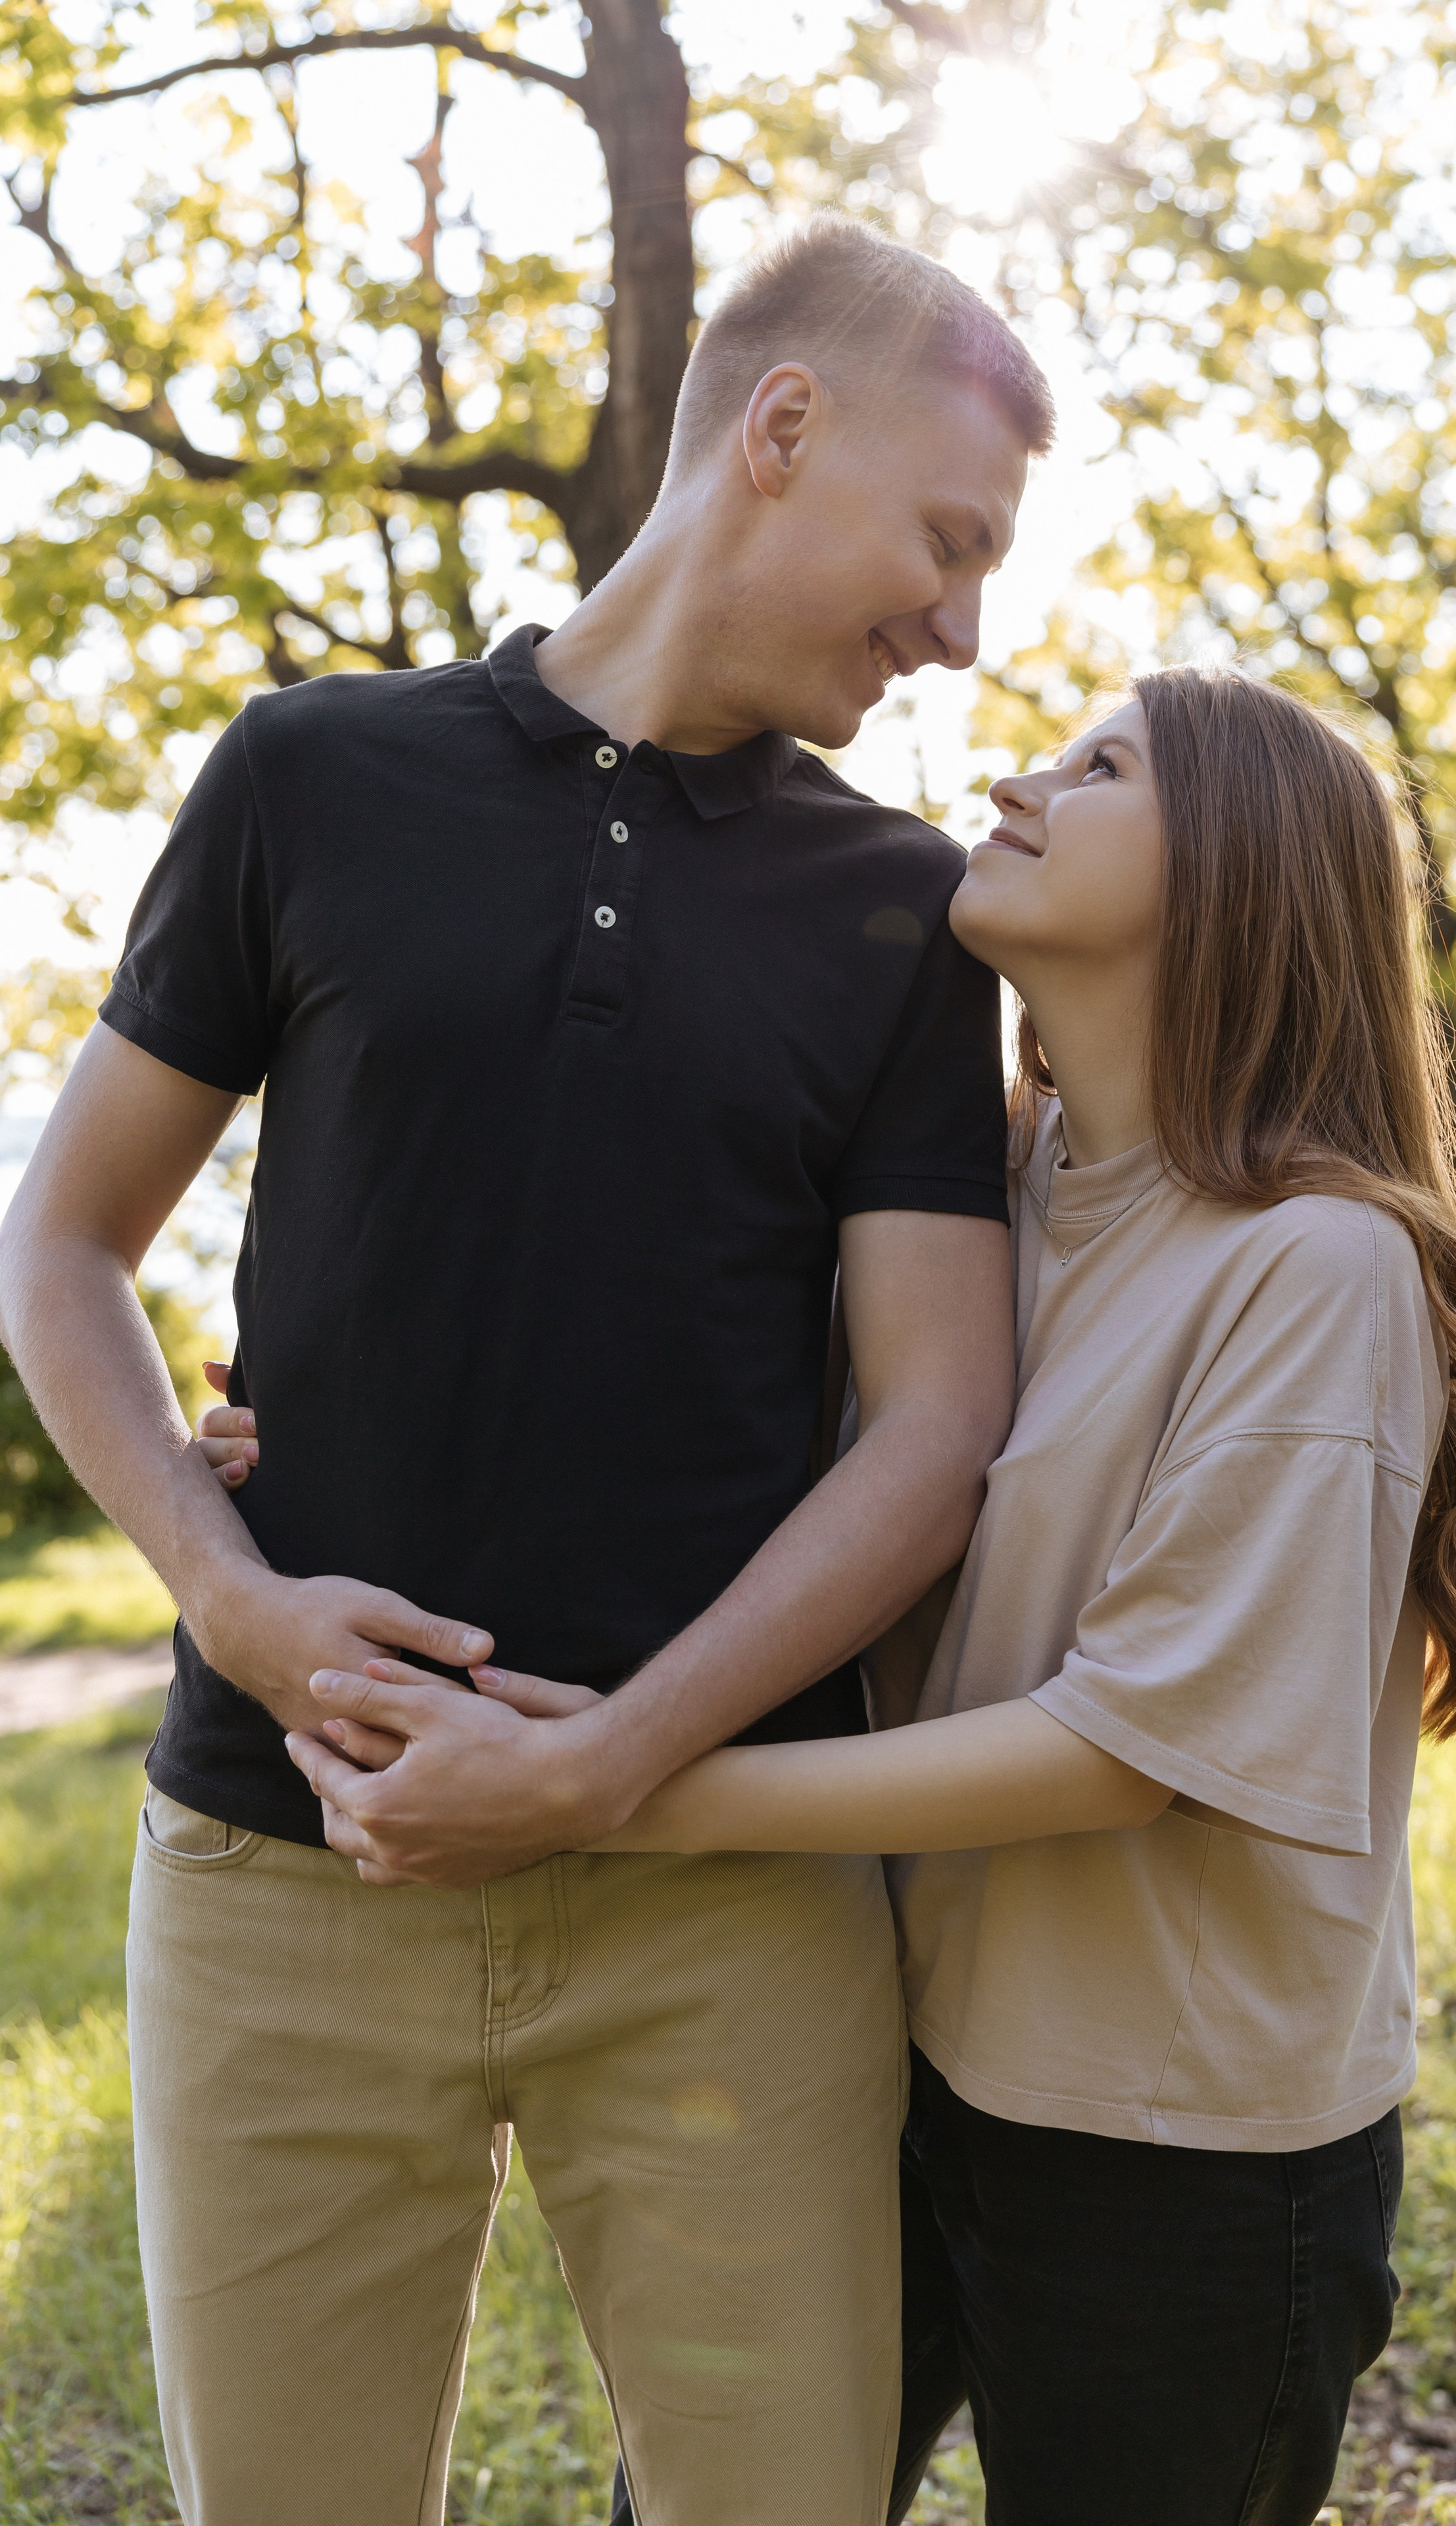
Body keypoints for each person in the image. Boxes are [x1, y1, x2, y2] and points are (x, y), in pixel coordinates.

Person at [0, 218, 1059, 2526]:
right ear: (780, 432)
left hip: (724, 1908)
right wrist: (230, 1596)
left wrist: (613, 1771)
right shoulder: (309, 777)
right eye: (948, 541)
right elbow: (66, 1244)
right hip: (288, 1869)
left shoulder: (895, 911)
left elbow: (941, 1424)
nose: (962, 625)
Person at [298, 667, 1456, 2524]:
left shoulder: (1318, 1265)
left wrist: (604, 1793)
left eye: (1102, 764)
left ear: (1242, 876)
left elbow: (1129, 1745)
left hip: (1178, 2149)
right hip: (889, 2053)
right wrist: (303, 1440)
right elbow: (711, 1443)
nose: (1022, 774)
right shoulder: (987, 1194)